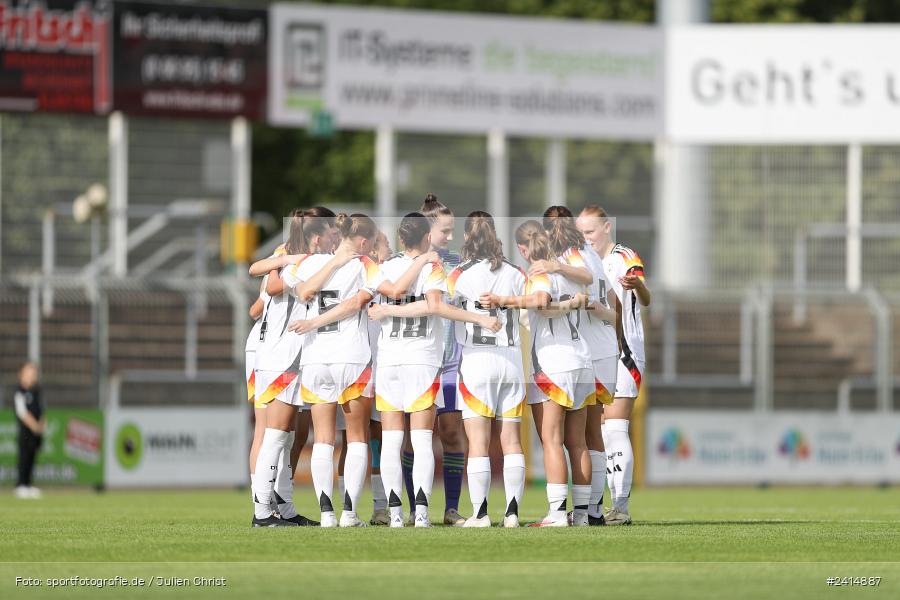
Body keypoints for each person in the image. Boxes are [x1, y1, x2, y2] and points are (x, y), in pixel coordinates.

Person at [286, 213, 437, 527]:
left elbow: (299, 290)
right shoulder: (366, 265)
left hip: (315, 358)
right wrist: (422, 262)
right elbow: (395, 291)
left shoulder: (308, 264)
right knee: (357, 438)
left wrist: (313, 320)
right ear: (365, 241)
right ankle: (349, 513)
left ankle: (326, 514)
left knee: (323, 439)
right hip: (352, 359)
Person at [367, 213, 500, 527]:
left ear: (401, 239)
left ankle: (397, 515)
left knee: (391, 440)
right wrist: (481, 319)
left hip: (388, 361)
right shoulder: (433, 267)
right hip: (423, 361)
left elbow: (376, 304)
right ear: (427, 236)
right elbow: (436, 306)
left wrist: (387, 309)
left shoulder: (384, 267)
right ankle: (423, 513)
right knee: (423, 438)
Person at [248, 207, 349, 527]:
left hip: (291, 354)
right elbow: (268, 282)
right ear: (317, 234)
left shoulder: (306, 258)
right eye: (333, 231)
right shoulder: (296, 257)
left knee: (288, 434)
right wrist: (291, 261)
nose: (337, 237)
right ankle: (263, 511)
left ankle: (283, 507)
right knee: (273, 433)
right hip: (281, 354)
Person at [493, 220, 591, 526]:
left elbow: (541, 301)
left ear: (522, 248)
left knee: (551, 440)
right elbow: (585, 282)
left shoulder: (538, 272)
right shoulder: (566, 269)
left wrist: (505, 301)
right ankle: (584, 514)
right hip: (582, 360)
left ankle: (558, 512)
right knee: (577, 442)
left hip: (552, 364)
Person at [441, 211, 531, 527]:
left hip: (476, 361)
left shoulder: (458, 273)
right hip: (510, 360)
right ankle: (512, 514)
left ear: (467, 237)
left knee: (477, 442)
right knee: (511, 440)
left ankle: (480, 515)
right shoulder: (516, 272)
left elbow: (440, 306)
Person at [579, 204, 651, 526]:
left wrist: (639, 287)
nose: (586, 238)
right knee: (603, 432)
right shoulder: (585, 263)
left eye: (590, 231)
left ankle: (619, 507)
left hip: (624, 350)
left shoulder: (622, 256)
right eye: (581, 233)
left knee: (615, 428)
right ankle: (597, 507)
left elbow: (645, 298)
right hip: (597, 352)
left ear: (607, 227)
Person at [418, 193, 467, 526]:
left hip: (450, 363)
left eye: (452, 231)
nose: (450, 238)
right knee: (412, 437)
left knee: (450, 432)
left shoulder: (457, 265)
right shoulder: (406, 263)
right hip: (416, 362)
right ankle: (412, 509)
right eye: (445, 231)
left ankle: (451, 509)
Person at [14, 362, 44, 500]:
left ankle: (28, 484)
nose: (33, 375)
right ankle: (20, 485)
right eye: (29, 372)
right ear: (22, 374)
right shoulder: (20, 391)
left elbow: (42, 409)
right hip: (26, 432)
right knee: (24, 458)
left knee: (32, 458)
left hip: (36, 433)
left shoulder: (37, 391)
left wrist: (41, 424)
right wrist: (34, 425)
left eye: (34, 372)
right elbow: (22, 412)